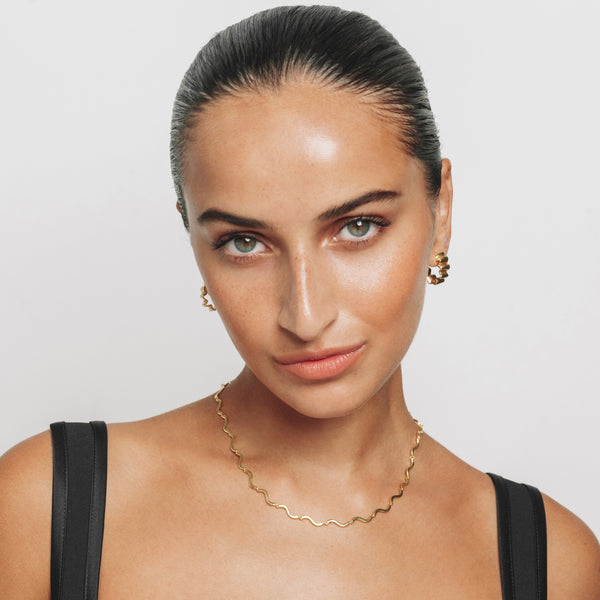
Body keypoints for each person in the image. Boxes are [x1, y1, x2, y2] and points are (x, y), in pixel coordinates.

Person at [1, 5, 598, 599]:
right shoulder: (47, 508)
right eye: (244, 242)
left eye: (358, 227)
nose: (306, 317)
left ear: (440, 211)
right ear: (192, 238)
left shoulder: (549, 562)